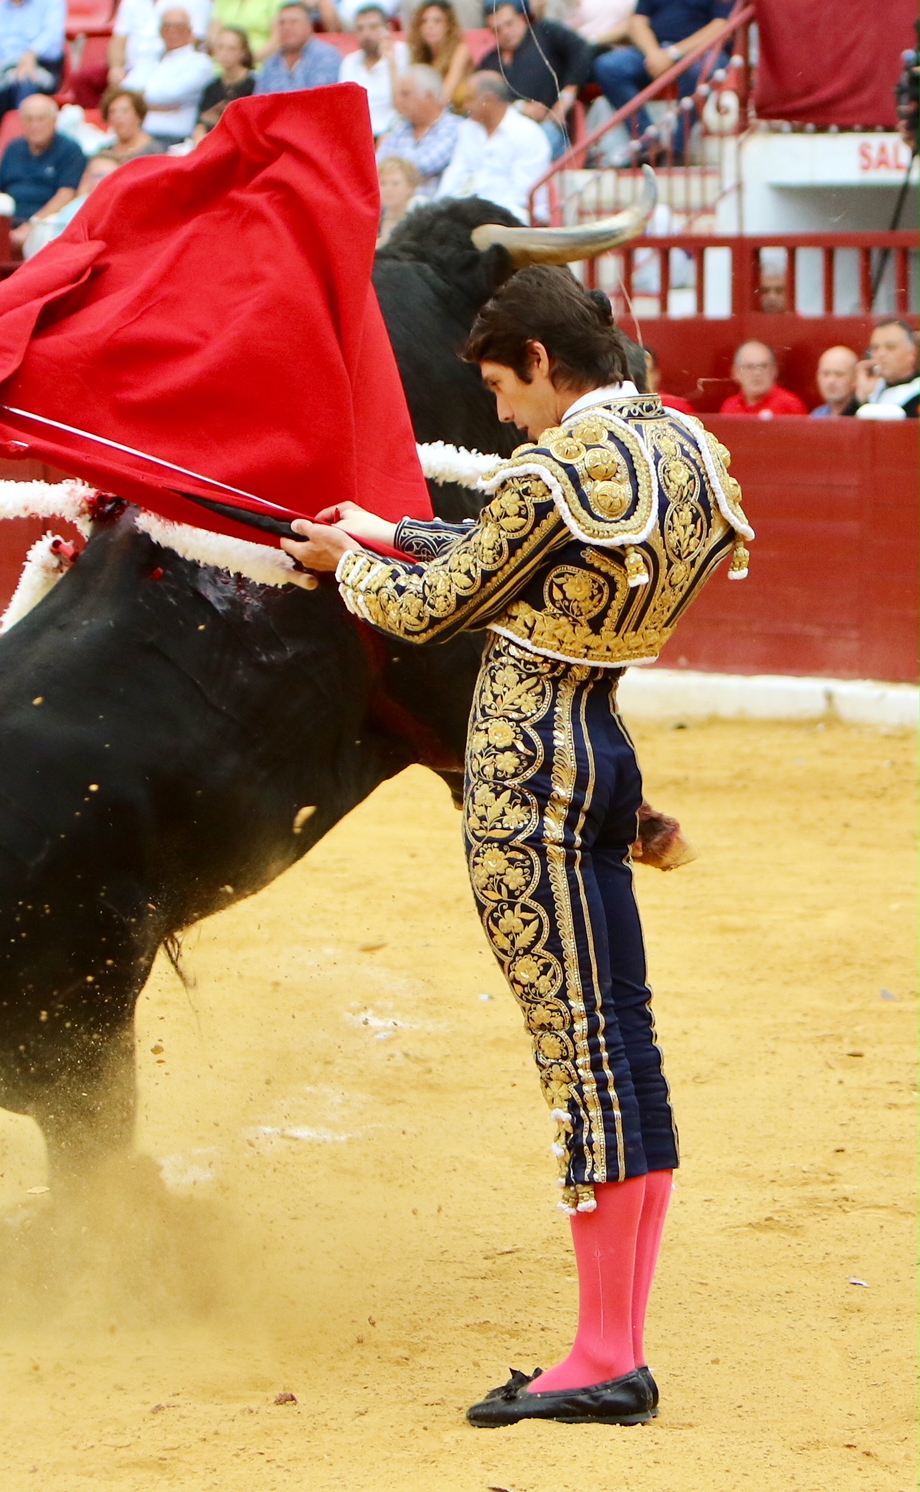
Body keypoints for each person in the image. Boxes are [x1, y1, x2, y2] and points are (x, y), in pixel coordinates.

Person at [282, 265, 752, 1432]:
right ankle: (614, 1345)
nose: (498, 414)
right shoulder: (675, 446)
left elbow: (434, 607)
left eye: (500, 386)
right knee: (619, 1045)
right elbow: (515, 553)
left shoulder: (555, 465)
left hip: (525, 767)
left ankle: (603, 1356)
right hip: (601, 749)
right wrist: (389, 529)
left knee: (579, 1056)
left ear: (542, 363)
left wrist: (346, 566)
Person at [594, 0, 731, 146]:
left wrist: (674, 53)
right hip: (657, 50)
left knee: (698, 71)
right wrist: (654, 53)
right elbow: (638, 21)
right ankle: (648, 139)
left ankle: (678, 147)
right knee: (609, 66)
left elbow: (721, 25)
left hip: (698, 53)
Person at [479, 0, 592, 158]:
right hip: (508, 133)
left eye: (509, 24)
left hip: (551, 124)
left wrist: (568, 93)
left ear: (522, 18)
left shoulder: (545, 33)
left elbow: (583, 50)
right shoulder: (490, 61)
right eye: (497, 30)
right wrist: (520, 107)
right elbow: (482, 98)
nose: (505, 32)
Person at [437, 70, 552, 220]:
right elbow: (456, 172)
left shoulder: (527, 133)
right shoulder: (468, 129)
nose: (465, 106)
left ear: (489, 100)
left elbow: (523, 194)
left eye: (470, 99)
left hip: (511, 214)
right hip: (470, 210)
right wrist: (438, 205)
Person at [0, 92, 84, 246]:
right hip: (8, 220)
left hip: (47, 221)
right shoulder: (13, 148)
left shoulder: (70, 150)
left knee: (45, 235)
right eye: (29, 119)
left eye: (41, 119)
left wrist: (32, 224)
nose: (35, 125)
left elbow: (66, 195)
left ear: (54, 120)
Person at [122, 5, 214, 143]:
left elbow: (170, 94)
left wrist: (139, 104)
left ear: (189, 31)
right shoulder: (151, 58)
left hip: (172, 136)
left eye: (178, 27)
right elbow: (124, 90)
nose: (171, 32)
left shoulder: (200, 63)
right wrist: (154, 105)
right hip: (137, 134)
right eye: (166, 27)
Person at [375, 65, 461, 196]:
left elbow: (422, 166)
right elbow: (378, 166)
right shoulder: (400, 128)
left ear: (429, 96)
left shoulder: (453, 127)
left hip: (431, 209)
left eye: (405, 94)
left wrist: (392, 171)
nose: (399, 100)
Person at [340, 4, 410, 138]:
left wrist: (392, 64)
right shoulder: (349, 62)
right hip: (359, 136)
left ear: (388, 29)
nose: (366, 34)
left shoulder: (403, 53)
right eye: (360, 28)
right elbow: (345, 110)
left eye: (373, 27)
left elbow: (404, 107)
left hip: (395, 133)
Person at [253, 1, 342, 96]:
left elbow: (323, 99)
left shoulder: (326, 55)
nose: (286, 27)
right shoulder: (271, 61)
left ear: (309, 26)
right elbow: (259, 101)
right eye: (282, 23)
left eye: (293, 22)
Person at [407, 0, 473, 106]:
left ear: (449, 26)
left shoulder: (461, 51)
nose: (430, 26)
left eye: (437, 21)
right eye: (424, 21)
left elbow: (446, 96)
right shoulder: (419, 55)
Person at [720, 339, 808, 415]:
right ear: (736, 373)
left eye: (763, 366)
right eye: (749, 367)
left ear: (774, 370)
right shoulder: (729, 407)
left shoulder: (790, 405)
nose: (757, 373)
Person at [194, 26, 255, 134]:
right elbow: (200, 123)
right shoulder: (212, 87)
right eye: (220, 47)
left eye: (231, 49)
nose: (225, 53)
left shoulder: (255, 85)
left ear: (243, 52)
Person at [855, 317, 920, 416]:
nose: (881, 354)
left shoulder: (916, 393)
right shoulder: (874, 389)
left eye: (890, 347)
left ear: (911, 353)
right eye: (875, 348)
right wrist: (861, 398)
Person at [101, 87, 159, 163]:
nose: (118, 116)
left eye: (124, 111)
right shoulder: (106, 153)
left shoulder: (154, 151)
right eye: (113, 112)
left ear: (138, 115)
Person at [377, 155, 419, 245]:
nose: (388, 189)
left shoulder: (420, 217)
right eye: (383, 183)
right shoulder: (375, 220)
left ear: (411, 186)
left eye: (395, 183)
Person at [810, 344, 861, 416]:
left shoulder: (865, 415)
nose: (831, 381)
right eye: (826, 374)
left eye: (839, 374)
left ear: (855, 378)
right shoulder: (816, 416)